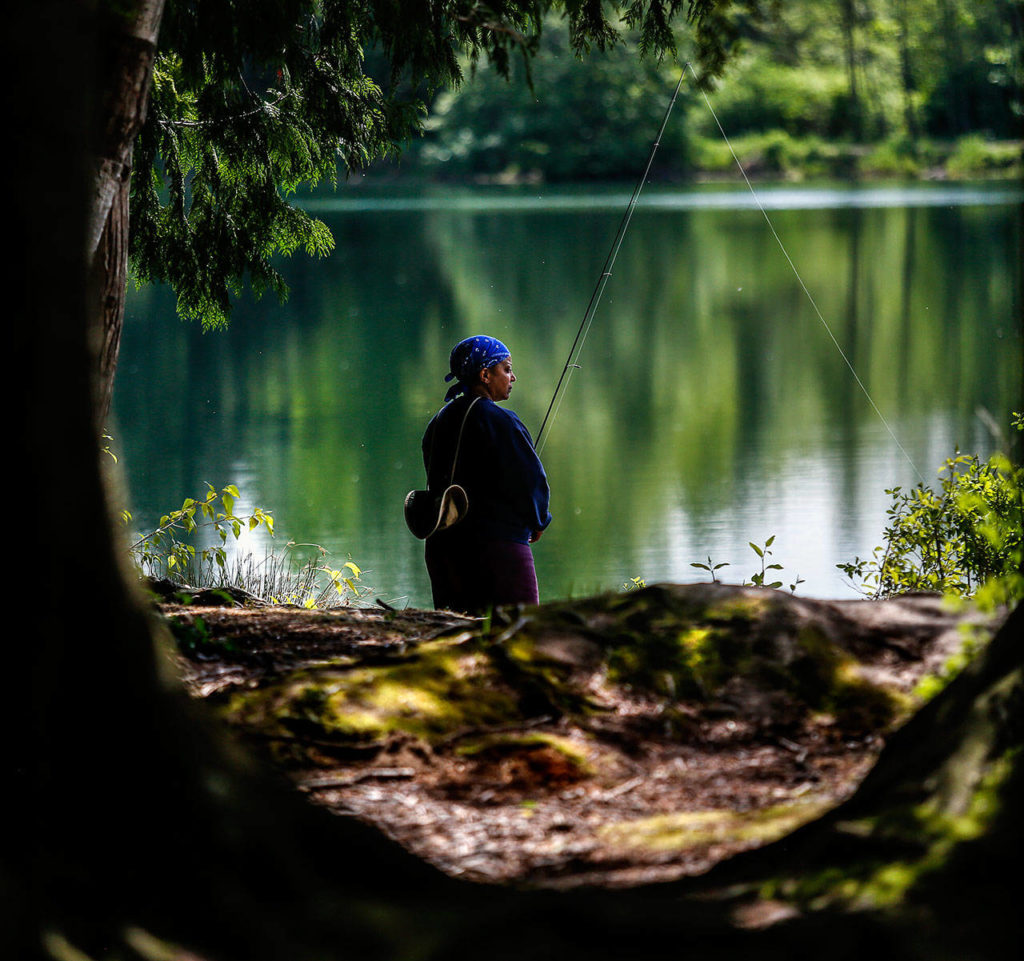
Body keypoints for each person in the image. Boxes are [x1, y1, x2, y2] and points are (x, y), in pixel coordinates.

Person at [420, 335, 551, 613]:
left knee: (458, 636)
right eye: (506, 368)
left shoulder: (439, 421)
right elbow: (530, 481)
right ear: (485, 374)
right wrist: (538, 521)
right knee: (517, 634)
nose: (512, 377)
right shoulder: (502, 421)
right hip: (498, 550)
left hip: (443, 548)